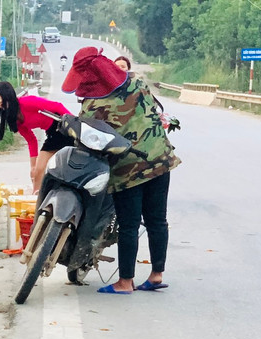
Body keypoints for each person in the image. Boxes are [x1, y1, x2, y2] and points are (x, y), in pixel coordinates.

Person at [42, 46, 180, 294]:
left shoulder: (93, 104)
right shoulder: (137, 82)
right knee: (157, 219)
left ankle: (125, 282)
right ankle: (156, 274)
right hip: (160, 159)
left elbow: (85, 136)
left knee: (129, 225)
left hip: (128, 170)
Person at [0, 81, 71, 184]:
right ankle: (37, 193)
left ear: (9, 95)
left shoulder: (27, 102)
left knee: (45, 171)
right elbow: (31, 140)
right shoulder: (13, 119)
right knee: (37, 172)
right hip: (52, 134)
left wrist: (76, 123)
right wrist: (32, 166)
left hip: (63, 127)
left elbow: (57, 106)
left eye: (2, 96)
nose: (0, 101)